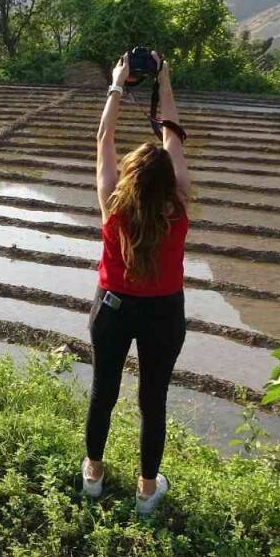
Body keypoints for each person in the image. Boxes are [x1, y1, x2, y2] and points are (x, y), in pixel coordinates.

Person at [81, 51, 190, 516]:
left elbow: (104, 136)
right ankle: (147, 490)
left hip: (113, 306)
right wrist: (163, 80)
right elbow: (173, 135)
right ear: (168, 179)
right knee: (154, 399)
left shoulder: (113, 203)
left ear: (128, 177)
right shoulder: (179, 204)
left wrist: (117, 84)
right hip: (164, 312)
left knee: (103, 390)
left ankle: (94, 475)